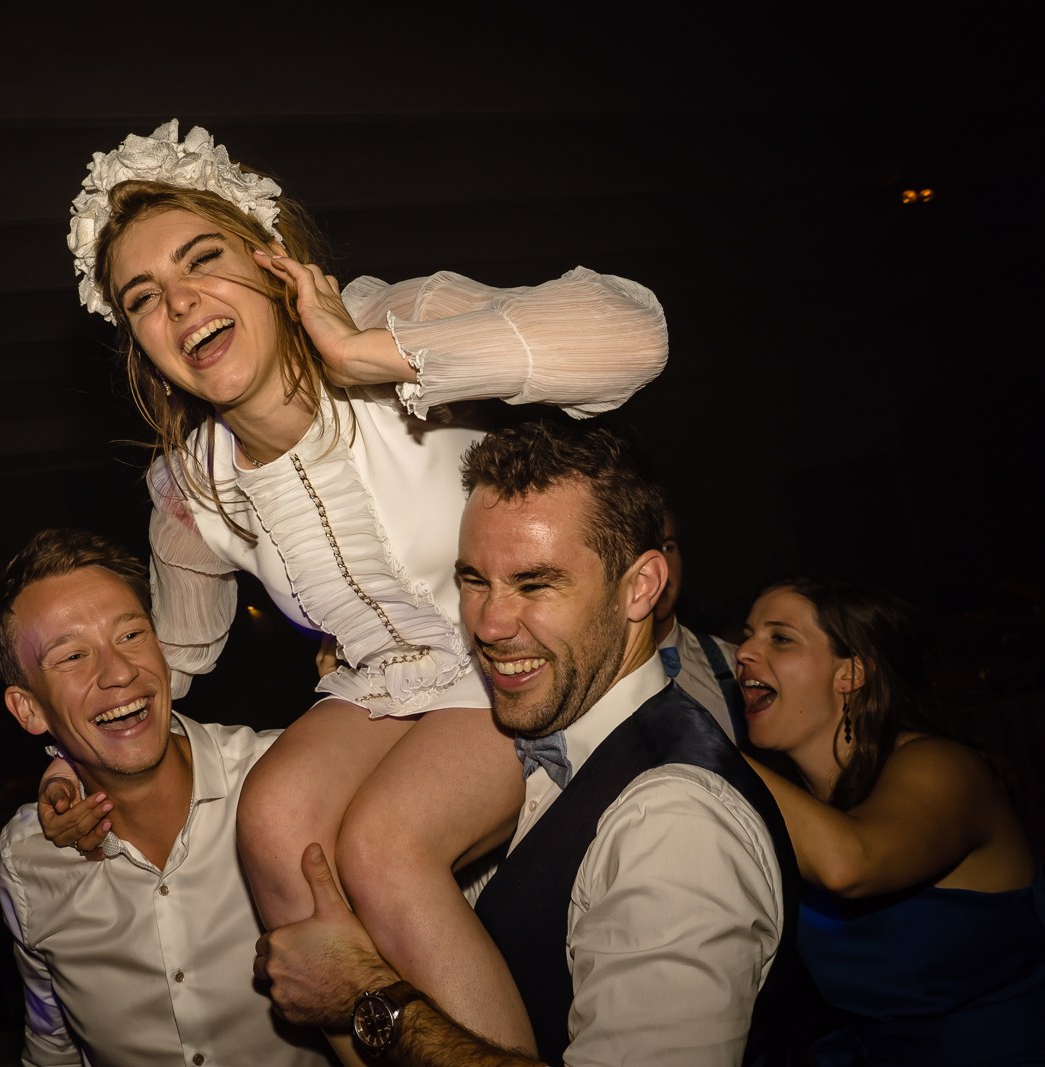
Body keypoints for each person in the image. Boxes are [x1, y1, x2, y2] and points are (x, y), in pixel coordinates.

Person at [43, 118, 669, 1054]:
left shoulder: (387, 317)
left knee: (383, 843)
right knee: (273, 820)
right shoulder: (190, 486)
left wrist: (366, 356)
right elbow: (173, 656)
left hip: (514, 656)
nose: (179, 303)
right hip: (383, 683)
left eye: (202, 258)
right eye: (143, 297)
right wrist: (75, 754)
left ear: (271, 259)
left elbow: (635, 336)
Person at [255, 419, 797, 1066]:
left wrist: (367, 997)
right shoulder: (528, 741)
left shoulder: (675, 825)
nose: (488, 623)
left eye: (535, 584)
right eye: (473, 581)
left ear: (640, 587)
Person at [0, 527, 332, 1067]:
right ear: (28, 709)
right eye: (73, 656)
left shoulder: (283, 777)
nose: (119, 672)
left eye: (130, 635)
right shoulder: (27, 857)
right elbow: (52, 1045)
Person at [736, 577, 1045, 1065]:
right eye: (748, 635)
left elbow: (851, 864)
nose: (744, 652)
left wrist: (704, 746)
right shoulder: (793, 806)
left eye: (780, 637)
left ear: (851, 673)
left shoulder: (944, 769)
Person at [654, 507, 747, 741]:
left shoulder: (732, 665)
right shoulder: (589, 680)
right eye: (641, 550)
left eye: (667, 548)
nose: (660, 567)